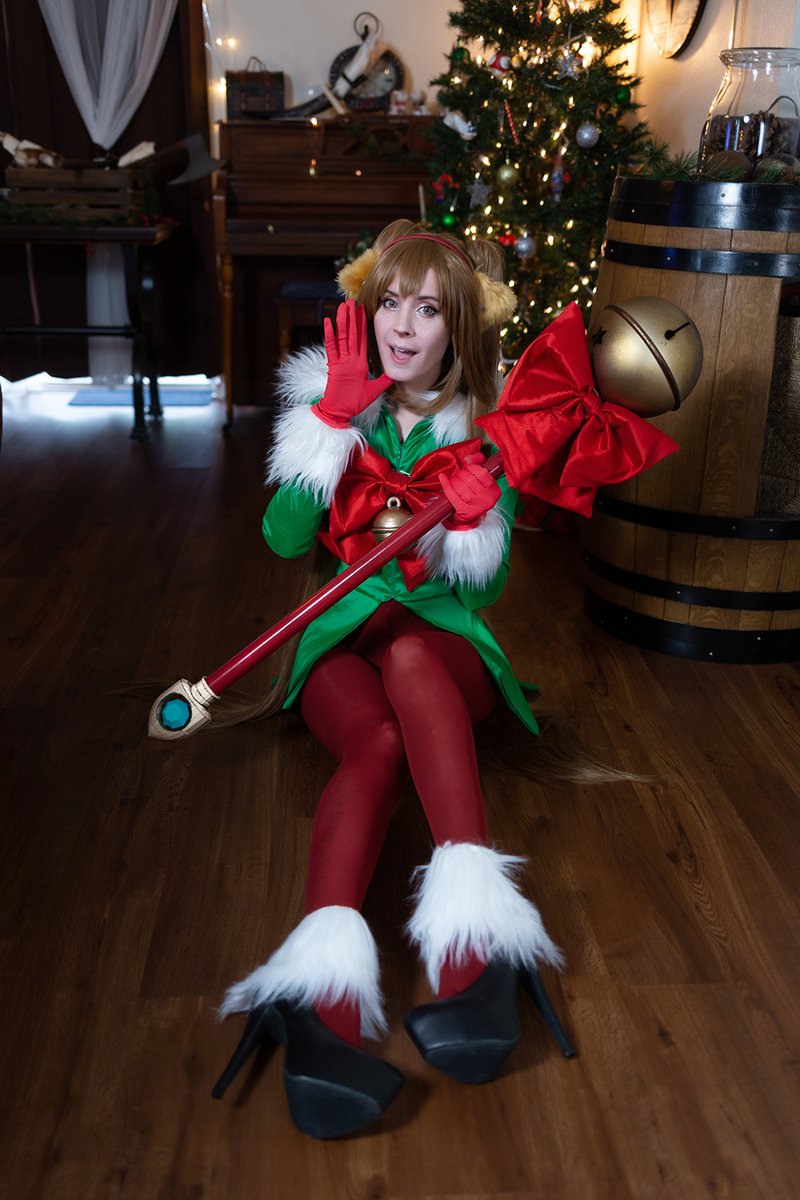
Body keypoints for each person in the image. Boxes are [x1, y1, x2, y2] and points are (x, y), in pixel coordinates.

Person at [211, 219, 576, 1140]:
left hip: (441, 648)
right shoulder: (331, 403)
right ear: (366, 311)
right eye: (390, 304)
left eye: (429, 310)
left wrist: (475, 520)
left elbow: (483, 590)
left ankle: (476, 957)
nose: (404, 326)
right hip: (341, 641)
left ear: (461, 327)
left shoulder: (488, 431)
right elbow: (283, 542)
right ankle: (317, 1007)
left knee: (413, 657)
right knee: (372, 744)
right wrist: (329, 425)